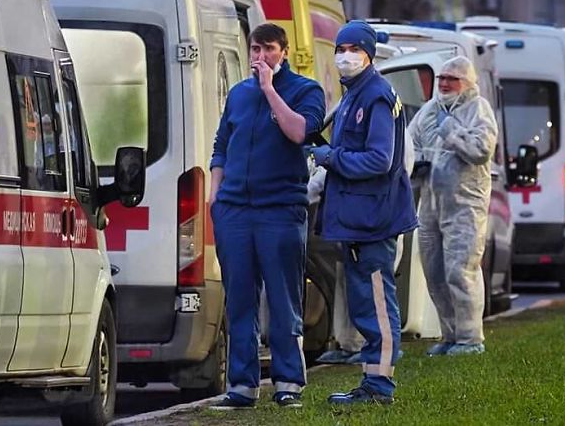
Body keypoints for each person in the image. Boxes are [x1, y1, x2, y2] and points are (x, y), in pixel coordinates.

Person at [208, 23, 326, 410]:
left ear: (285, 52)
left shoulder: (305, 91)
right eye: (255, 49)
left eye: (268, 49)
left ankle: (288, 381)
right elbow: (221, 145)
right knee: (239, 300)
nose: (260, 57)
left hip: (280, 208)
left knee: (283, 298)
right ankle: (242, 386)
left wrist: (271, 89)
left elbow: (300, 132)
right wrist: (215, 196)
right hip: (235, 211)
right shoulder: (239, 95)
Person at [311, 20, 418, 405]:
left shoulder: (376, 95)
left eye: (353, 49)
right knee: (363, 302)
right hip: (357, 220)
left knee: (376, 302)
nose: (345, 56)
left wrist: (330, 157)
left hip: (374, 219)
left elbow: (378, 159)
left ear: (368, 54)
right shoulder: (354, 94)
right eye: (341, 49)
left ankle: (380, 385)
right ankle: (371, 381)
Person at [407, 55, 498, 356]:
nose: (444, 83)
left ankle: (471, 338)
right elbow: (411, 143)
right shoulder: (430, 111)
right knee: (434, 271)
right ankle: (449, 335)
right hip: (432, 201)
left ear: (467, 83)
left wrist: (451, 132)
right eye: (442, 78)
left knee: (461, 270)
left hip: (465, 204)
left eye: (452, 79)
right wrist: (415, 165)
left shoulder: (478, 109)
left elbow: (481, 150)